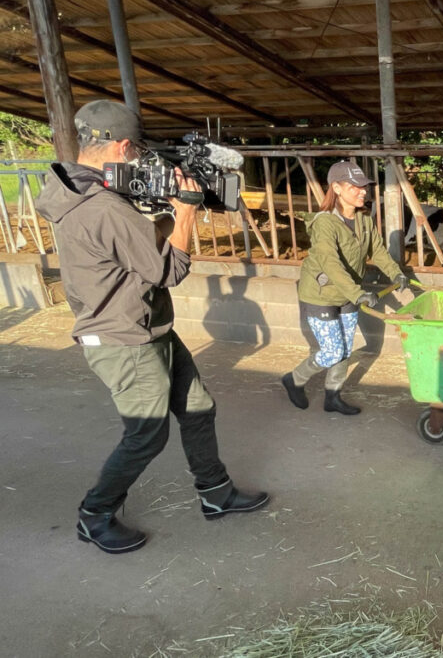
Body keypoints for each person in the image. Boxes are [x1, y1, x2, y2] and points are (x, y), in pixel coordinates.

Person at [35, 100, 269, 555]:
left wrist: (165, 211)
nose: (141, 158)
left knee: (198, 406)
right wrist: (185, 210)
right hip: (124, 336)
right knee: (147, 433)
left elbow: (138, 248)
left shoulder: (85, 191)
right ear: (121, 146)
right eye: (137, 150)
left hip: (148, 324)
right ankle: (94, 514)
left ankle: (215, 493)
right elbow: (168, 270)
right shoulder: (102, 206)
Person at [281, 160, 408, 415]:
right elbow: (331, 264)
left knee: (345, 348)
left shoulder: (364, 219)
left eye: (364, 186)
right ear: (336, 188)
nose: (363, 191)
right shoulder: (325, 223)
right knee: (331, 351)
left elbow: (378, 251)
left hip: (350, 292)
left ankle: (333, 396)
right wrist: (358, 293)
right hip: (322, 293)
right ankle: (294, 379)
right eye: (355, 187)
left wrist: (397, 273)